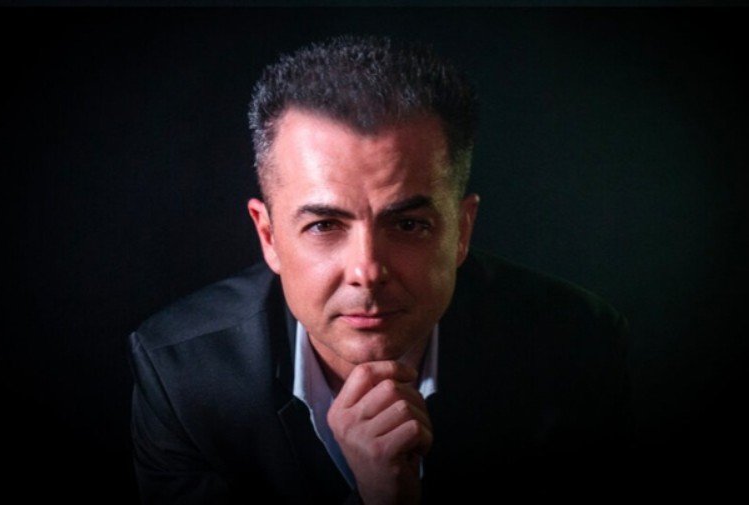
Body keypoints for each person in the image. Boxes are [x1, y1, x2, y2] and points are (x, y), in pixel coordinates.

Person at [129, 35, 633, 504]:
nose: (367, 271)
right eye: (324, 225)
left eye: (408, 225)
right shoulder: (182, 377)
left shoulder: (575, 346)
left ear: (461, 231)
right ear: (269, 236)